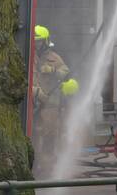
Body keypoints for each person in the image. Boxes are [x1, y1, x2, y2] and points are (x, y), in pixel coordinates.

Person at [32, 25, 78, 174]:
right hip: (31, 106)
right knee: (33, 138)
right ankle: (33, 166)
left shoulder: (54, 58)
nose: (37, 44)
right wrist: (36, 92)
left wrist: (52, 70)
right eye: (35, 41)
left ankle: (47, 169)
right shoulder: (27, 55)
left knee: (49, 138)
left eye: (39, 41)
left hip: (50, 108)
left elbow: (66, 74)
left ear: (45, 41)